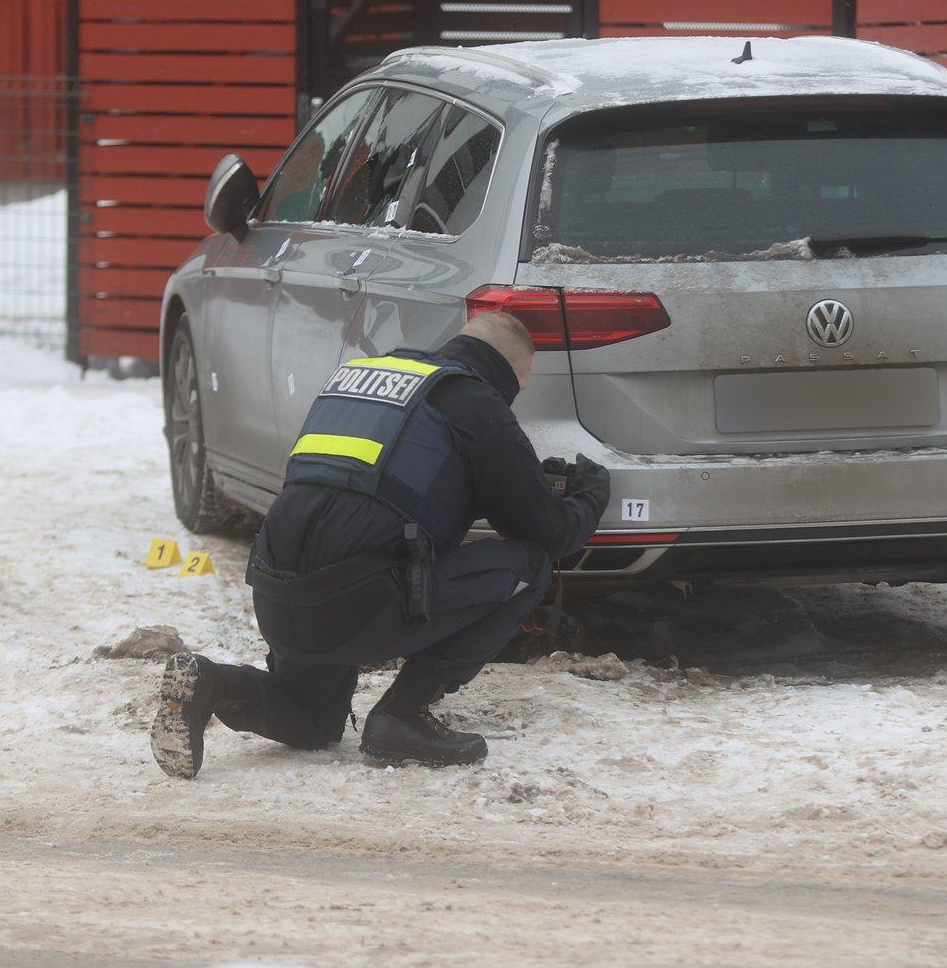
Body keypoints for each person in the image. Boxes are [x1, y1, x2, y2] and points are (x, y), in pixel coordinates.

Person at [151, 311, 611, 777]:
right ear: (510, 374)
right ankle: (404, 715)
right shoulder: (475, 400)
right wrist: (590, 495)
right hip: (356, 602)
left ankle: (212, 682)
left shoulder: (360, 379)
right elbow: (548, 532)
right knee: (530, 565)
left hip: (277, 595)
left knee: (311, 720)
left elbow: (388, 483)